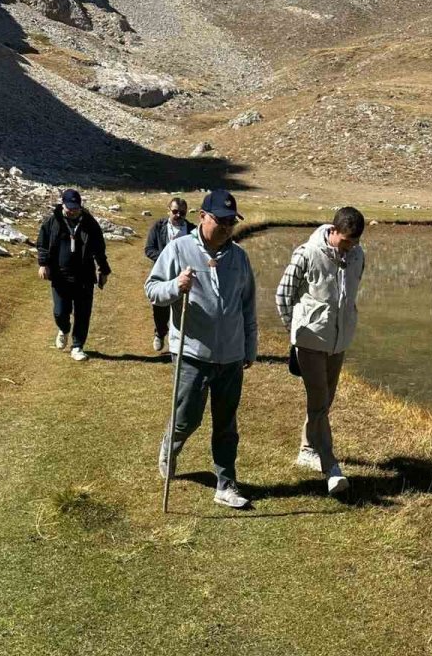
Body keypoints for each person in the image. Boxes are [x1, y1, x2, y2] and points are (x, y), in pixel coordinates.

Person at [144, 189, 257, 510]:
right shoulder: (178, 250)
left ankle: (226, 483)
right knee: (187, 417)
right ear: (203, 217)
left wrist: (250, 345)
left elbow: (248, 305)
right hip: (192, 353)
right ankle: (172, 442)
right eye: (220, 221)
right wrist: (175, 287)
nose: (225, 227)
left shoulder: (238, 256)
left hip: (231, 355)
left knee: (226, 423)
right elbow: (152, 289)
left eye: (231, 222)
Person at [275, 206, 366, 497]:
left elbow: (350, 293)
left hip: (338, 342)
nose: (350, 247)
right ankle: (331, 467)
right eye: (346, 241)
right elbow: (283, 295)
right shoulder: (307, 253)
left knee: (325, 402)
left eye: (355, 242)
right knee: (318, 400)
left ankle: (306, 449)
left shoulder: (358, 256)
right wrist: (296, 329)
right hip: (310, 340)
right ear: (333, 231)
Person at [36, 188, 110, 362]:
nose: (72, 210)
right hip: (60, 276)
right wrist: (43, 264)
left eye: (76, 207)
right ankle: (63, 329)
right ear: (63, 204)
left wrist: (103, 269)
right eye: (69, 207)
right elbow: (42, 244)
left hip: (84, 276)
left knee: (83, 313)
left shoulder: (89, 223)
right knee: (60, 311)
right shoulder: (52, 221)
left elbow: (99, 248)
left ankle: (77, 346)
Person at [144, 196, 191, 352]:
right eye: (175, 211)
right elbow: (149, 249)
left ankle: (182, 342)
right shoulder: (159, 226)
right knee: (160, 307)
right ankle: (160, 333)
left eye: (182, 213)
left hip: (185, 277)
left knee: (184, 309)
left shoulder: (192, 230)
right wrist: (167, 260)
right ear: (168, 210)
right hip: (163, 275)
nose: (178, 215)